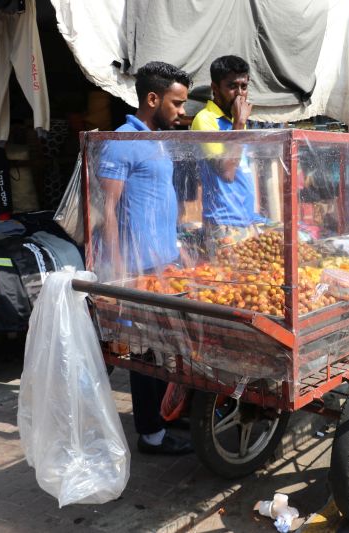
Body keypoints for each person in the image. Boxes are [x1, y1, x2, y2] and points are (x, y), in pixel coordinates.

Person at [98, 61, 194, 455]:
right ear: (152, 98)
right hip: (136, 267)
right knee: (143, 351)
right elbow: (107, 210)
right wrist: (118, 276)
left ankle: (166, 415)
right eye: (176, 103)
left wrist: (179, 246)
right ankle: (151, 433)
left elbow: (157, 200)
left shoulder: (157, 139)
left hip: (163, 261)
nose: (182, 111)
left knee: (163, 346)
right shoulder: (121, 141)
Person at [191, 55, 265, 246]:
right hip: (223, 222)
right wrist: (239, 123)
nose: (240, 94)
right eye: (232, 86)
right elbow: (227, 172)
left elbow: (244, 170)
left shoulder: (235, 121)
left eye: (244, 86)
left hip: (246, 219)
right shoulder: (205, 119)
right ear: (215, 88)